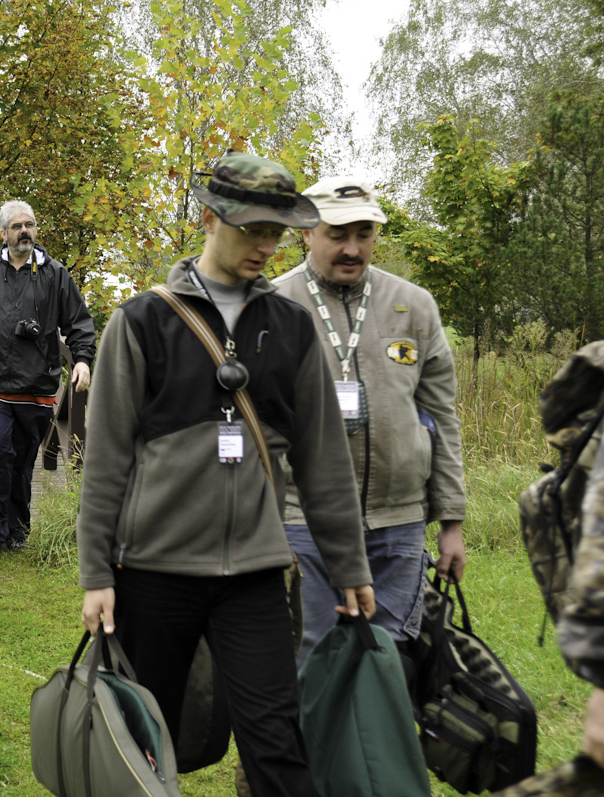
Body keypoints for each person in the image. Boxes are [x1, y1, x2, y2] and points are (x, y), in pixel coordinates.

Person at [77, 151, 376, 797]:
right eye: (253, 229)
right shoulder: (140, 323)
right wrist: (97, 572)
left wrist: (350, 566)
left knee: (277, 742)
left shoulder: (292, 327)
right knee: (140, 744)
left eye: (277, 231)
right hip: (153, 572)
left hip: (256, 575)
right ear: (209, 218)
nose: (267, 245)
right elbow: (105, 462)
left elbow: (325, 461)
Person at [272, 176, 467, 670]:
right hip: (302, 520)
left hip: (397, 520)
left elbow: (441, 414)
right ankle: (313, 750)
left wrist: (452, 521)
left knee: (391, 657)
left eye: (364, 233)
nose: (353, 248)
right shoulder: (272, 306)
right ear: (307, 232)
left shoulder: (415, 305)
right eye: (338, 234)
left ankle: (379, 748)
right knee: (312, 655)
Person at [0, 200, 96, 560]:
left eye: (30, 224)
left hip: (36, 386)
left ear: (36, 230)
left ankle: (17, 529)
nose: (24, 231)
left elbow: (78, 323)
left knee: (23, 459)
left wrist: (83, 360)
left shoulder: (55, 274)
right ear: (3, 233)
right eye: (17, 226)